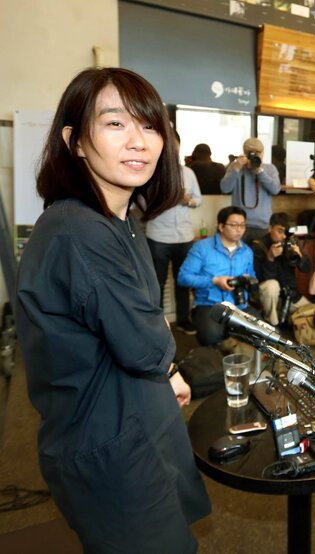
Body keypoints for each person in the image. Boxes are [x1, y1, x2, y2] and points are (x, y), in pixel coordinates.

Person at [14, 67, 210, 553]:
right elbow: (147, 342)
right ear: (75, 141)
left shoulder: (119, 220)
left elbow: (141, 326)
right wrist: (165, 356)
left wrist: (168, 368)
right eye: (115, 124)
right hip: (110, 448)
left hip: (141, 421)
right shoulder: (77, 230)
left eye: (150, 125)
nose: (139, 141)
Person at [145, 131, 202, 335]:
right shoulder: (149, 171)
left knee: (183, 280)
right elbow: (142, 204)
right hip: (159, 236)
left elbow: (199, 200)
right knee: (156, 283)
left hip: (184, 236)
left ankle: (183, 320)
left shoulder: (188, 173)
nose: (171, 148)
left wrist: (187, 200)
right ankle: (158, 325)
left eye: (174, 144)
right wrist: (166, 198)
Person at [178, 206, 257, 346]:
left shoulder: (247, 251)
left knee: (262, 334)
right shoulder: (202, 248)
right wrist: (214, 281)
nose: (239, 229)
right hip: (209, 304)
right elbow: (183, 277)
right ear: (221, 226)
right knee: (211, 336)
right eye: (234, 225)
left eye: (242, 225)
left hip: (240, 305)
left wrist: (249, 280)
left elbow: (252, 276)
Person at [252, 212, 312, 326]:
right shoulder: (259, 245)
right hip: (268, 297)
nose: (284, 236)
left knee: (313, 314)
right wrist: (270, 258)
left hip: (290, 294)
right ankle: (272, 326)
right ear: (270, 228)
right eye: (280, 231)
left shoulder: (291, 241)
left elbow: (307, 269)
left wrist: (300, 257)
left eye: (286, 232)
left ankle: (288, 319)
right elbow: (260, 278)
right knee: (271, 286)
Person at [220, 137, 281, 245]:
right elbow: (225, 188)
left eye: (258, 153)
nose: (255, 156)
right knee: (239, 259)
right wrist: (236, 168)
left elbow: (275, 189)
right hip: (240, 225)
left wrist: (259, 171)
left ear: (263, 153)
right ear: (245, 153)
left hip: (263, 225)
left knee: (261, 259)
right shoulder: (236, 167)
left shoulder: (269, 169)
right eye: (251, 153)